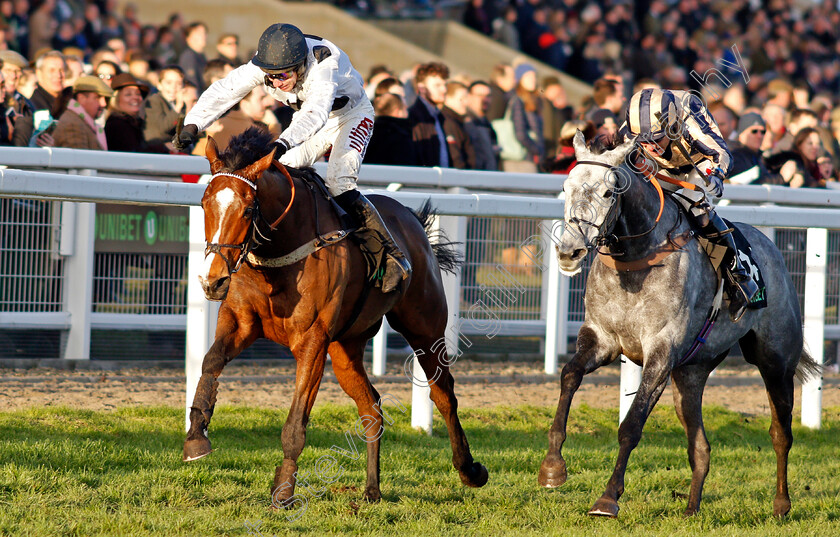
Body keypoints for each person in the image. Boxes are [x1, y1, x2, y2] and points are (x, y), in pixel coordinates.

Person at [174, 23, 410, 292]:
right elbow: (225, 90)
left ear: (300, 65)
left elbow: (316, 112)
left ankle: (391, 255)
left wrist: (283, 142)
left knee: (339, 183)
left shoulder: (323, 62)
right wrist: (193, 124)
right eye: (270, 77)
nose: (276, 82)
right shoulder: (263, 65)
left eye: (282, 75)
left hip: (351, 116)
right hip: (311, 120)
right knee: (278, 175)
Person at [622, 88, 759, 311]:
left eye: (656, 139)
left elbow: (719, 152)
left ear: (672, 125)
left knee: (696, 208)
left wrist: (716, 175)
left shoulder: (688, 117)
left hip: (698, 162)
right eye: (644, 142)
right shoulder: (633, 127)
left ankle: (738, 275)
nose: (651, 147)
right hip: (661, 167)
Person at [105, 72, 169, 153]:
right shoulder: (117, 125)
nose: (135, 97)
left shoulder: (137, 123)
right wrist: (163, 148)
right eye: (128, 94)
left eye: (138, 94)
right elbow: (133, 154)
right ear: (116, 100)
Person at [407, 61, 451, 168]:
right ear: (422, 88)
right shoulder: (414, 118)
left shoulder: (439, 117)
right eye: (437, 85)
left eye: (445, 85)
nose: (444, 90)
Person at [53, 74, 113, 150]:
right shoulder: (73, 124)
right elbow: (78, 160)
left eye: (105, 99)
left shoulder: (78, 121)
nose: (103, 103)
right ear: (81, 98)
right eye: (97, 97)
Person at [727, 112, 780, 185]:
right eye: (754, 131)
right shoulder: (733, 156)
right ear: (741, 134)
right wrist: (781, 178)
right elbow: (745, 183)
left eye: (763, 132)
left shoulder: (758, 157)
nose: (759, 136)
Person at [143, 65, 185, 146]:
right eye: (169, 83)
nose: (173, 87)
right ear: (159, 84)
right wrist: (178, 107)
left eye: (178, 83)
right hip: (155, 148)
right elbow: (163, 128)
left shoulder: (179, 103)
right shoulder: (154, 101)